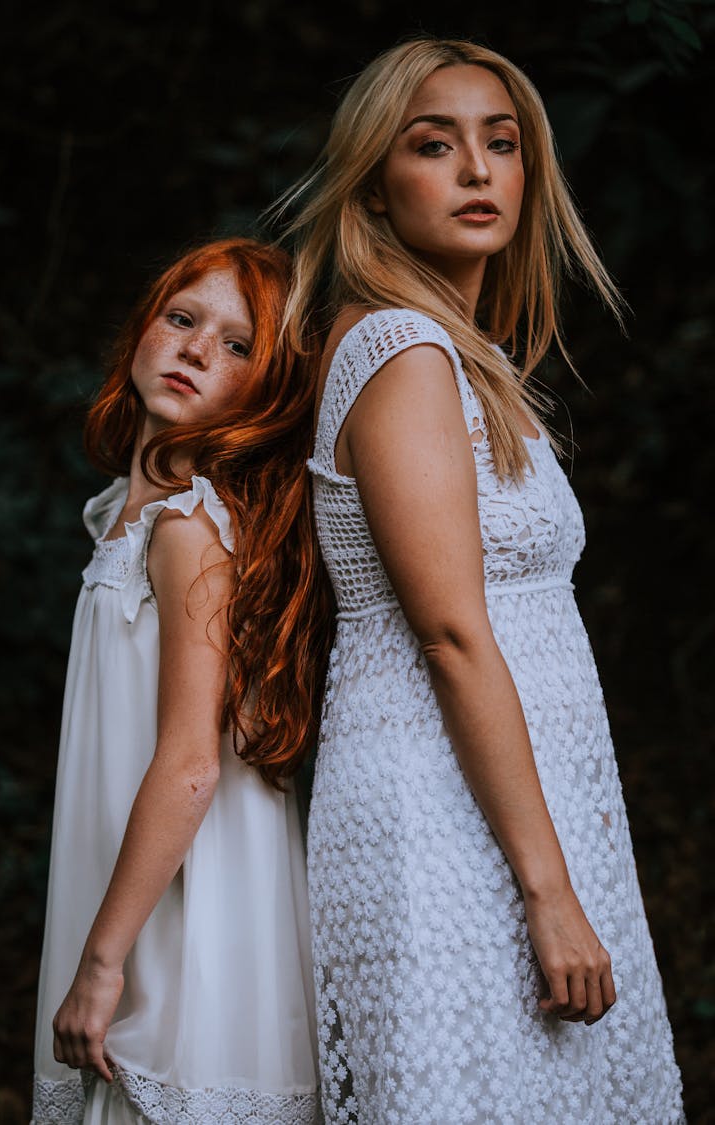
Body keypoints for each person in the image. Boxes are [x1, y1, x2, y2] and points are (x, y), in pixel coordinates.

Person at [276, 37, 685, 1123]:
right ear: (374, 180)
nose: (476, 170)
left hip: (511, 815)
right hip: (446, 824)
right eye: (433, 143)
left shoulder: (454, 356)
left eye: (500, 143)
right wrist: (548, 894)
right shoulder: (404, 353)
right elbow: (451, 633)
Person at [31, 238, 332, 1124]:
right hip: (127, 893)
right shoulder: (119, 514)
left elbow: (193, 762)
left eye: (240, 346)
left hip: (180, 923)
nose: (199, 349)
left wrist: (102, 961)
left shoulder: (189, 525)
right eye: (183, 318)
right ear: (142, 329)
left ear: (268, 390)